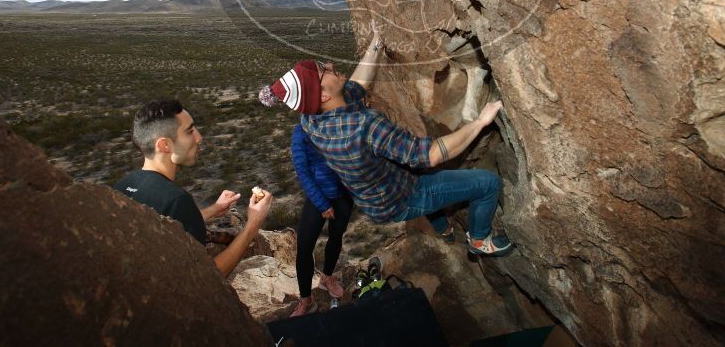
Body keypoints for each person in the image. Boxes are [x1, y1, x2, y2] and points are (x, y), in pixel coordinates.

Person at [259, 24, 513, 258]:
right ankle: (480, 241)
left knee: (417, 170)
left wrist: (375, 45)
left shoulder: (311, 120)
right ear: (323, 94)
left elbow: (356, 85)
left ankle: (442, 227)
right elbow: (433, 153)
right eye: (322, 70)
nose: (328, 65)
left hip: (377, 197)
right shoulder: (364, 126)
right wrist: (480, 122)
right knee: (487, 183)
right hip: (403, 197)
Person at [113, 99, 273, 277]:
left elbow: (163, 224)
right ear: (164, 145)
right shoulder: (177, 200)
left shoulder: (124, 184)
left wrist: (214, 209)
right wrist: (252, 225)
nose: (199, 137)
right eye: (189, 131)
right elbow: (207, 277)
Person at [288, 124, 354, 316]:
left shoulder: (339, 121)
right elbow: (302, 169)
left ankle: (327, 277)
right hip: (318, 195)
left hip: (343, 193)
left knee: (336, 236)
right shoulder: (302, 130)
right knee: (305, 247)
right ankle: (306, 299)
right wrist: (321, 203)